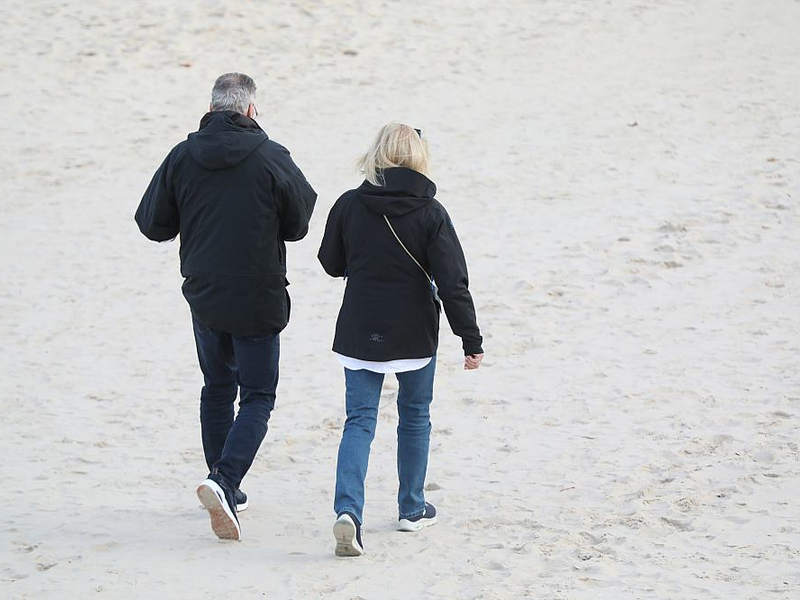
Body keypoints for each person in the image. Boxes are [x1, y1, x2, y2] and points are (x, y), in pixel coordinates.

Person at [134, 73, 316, 541]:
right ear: (250, 110)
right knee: (257, 395)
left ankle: (226, 491)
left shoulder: (182, 156)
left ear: (212, 108)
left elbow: (153, 224)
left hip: (205, 291)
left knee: (217, 386)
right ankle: (224, 480)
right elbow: (298, 223)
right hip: (257, 294)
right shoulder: (271, 156)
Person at [318, 123, 484, 556]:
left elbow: (330, 263)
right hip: (413, 331)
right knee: (414, 416)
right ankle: (411, 508)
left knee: (359, 421)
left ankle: (348, 512)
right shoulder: (431, 212)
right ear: (417, 157)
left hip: (359, 327)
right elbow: (453, 282)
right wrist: (470, 338)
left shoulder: (350, 205)